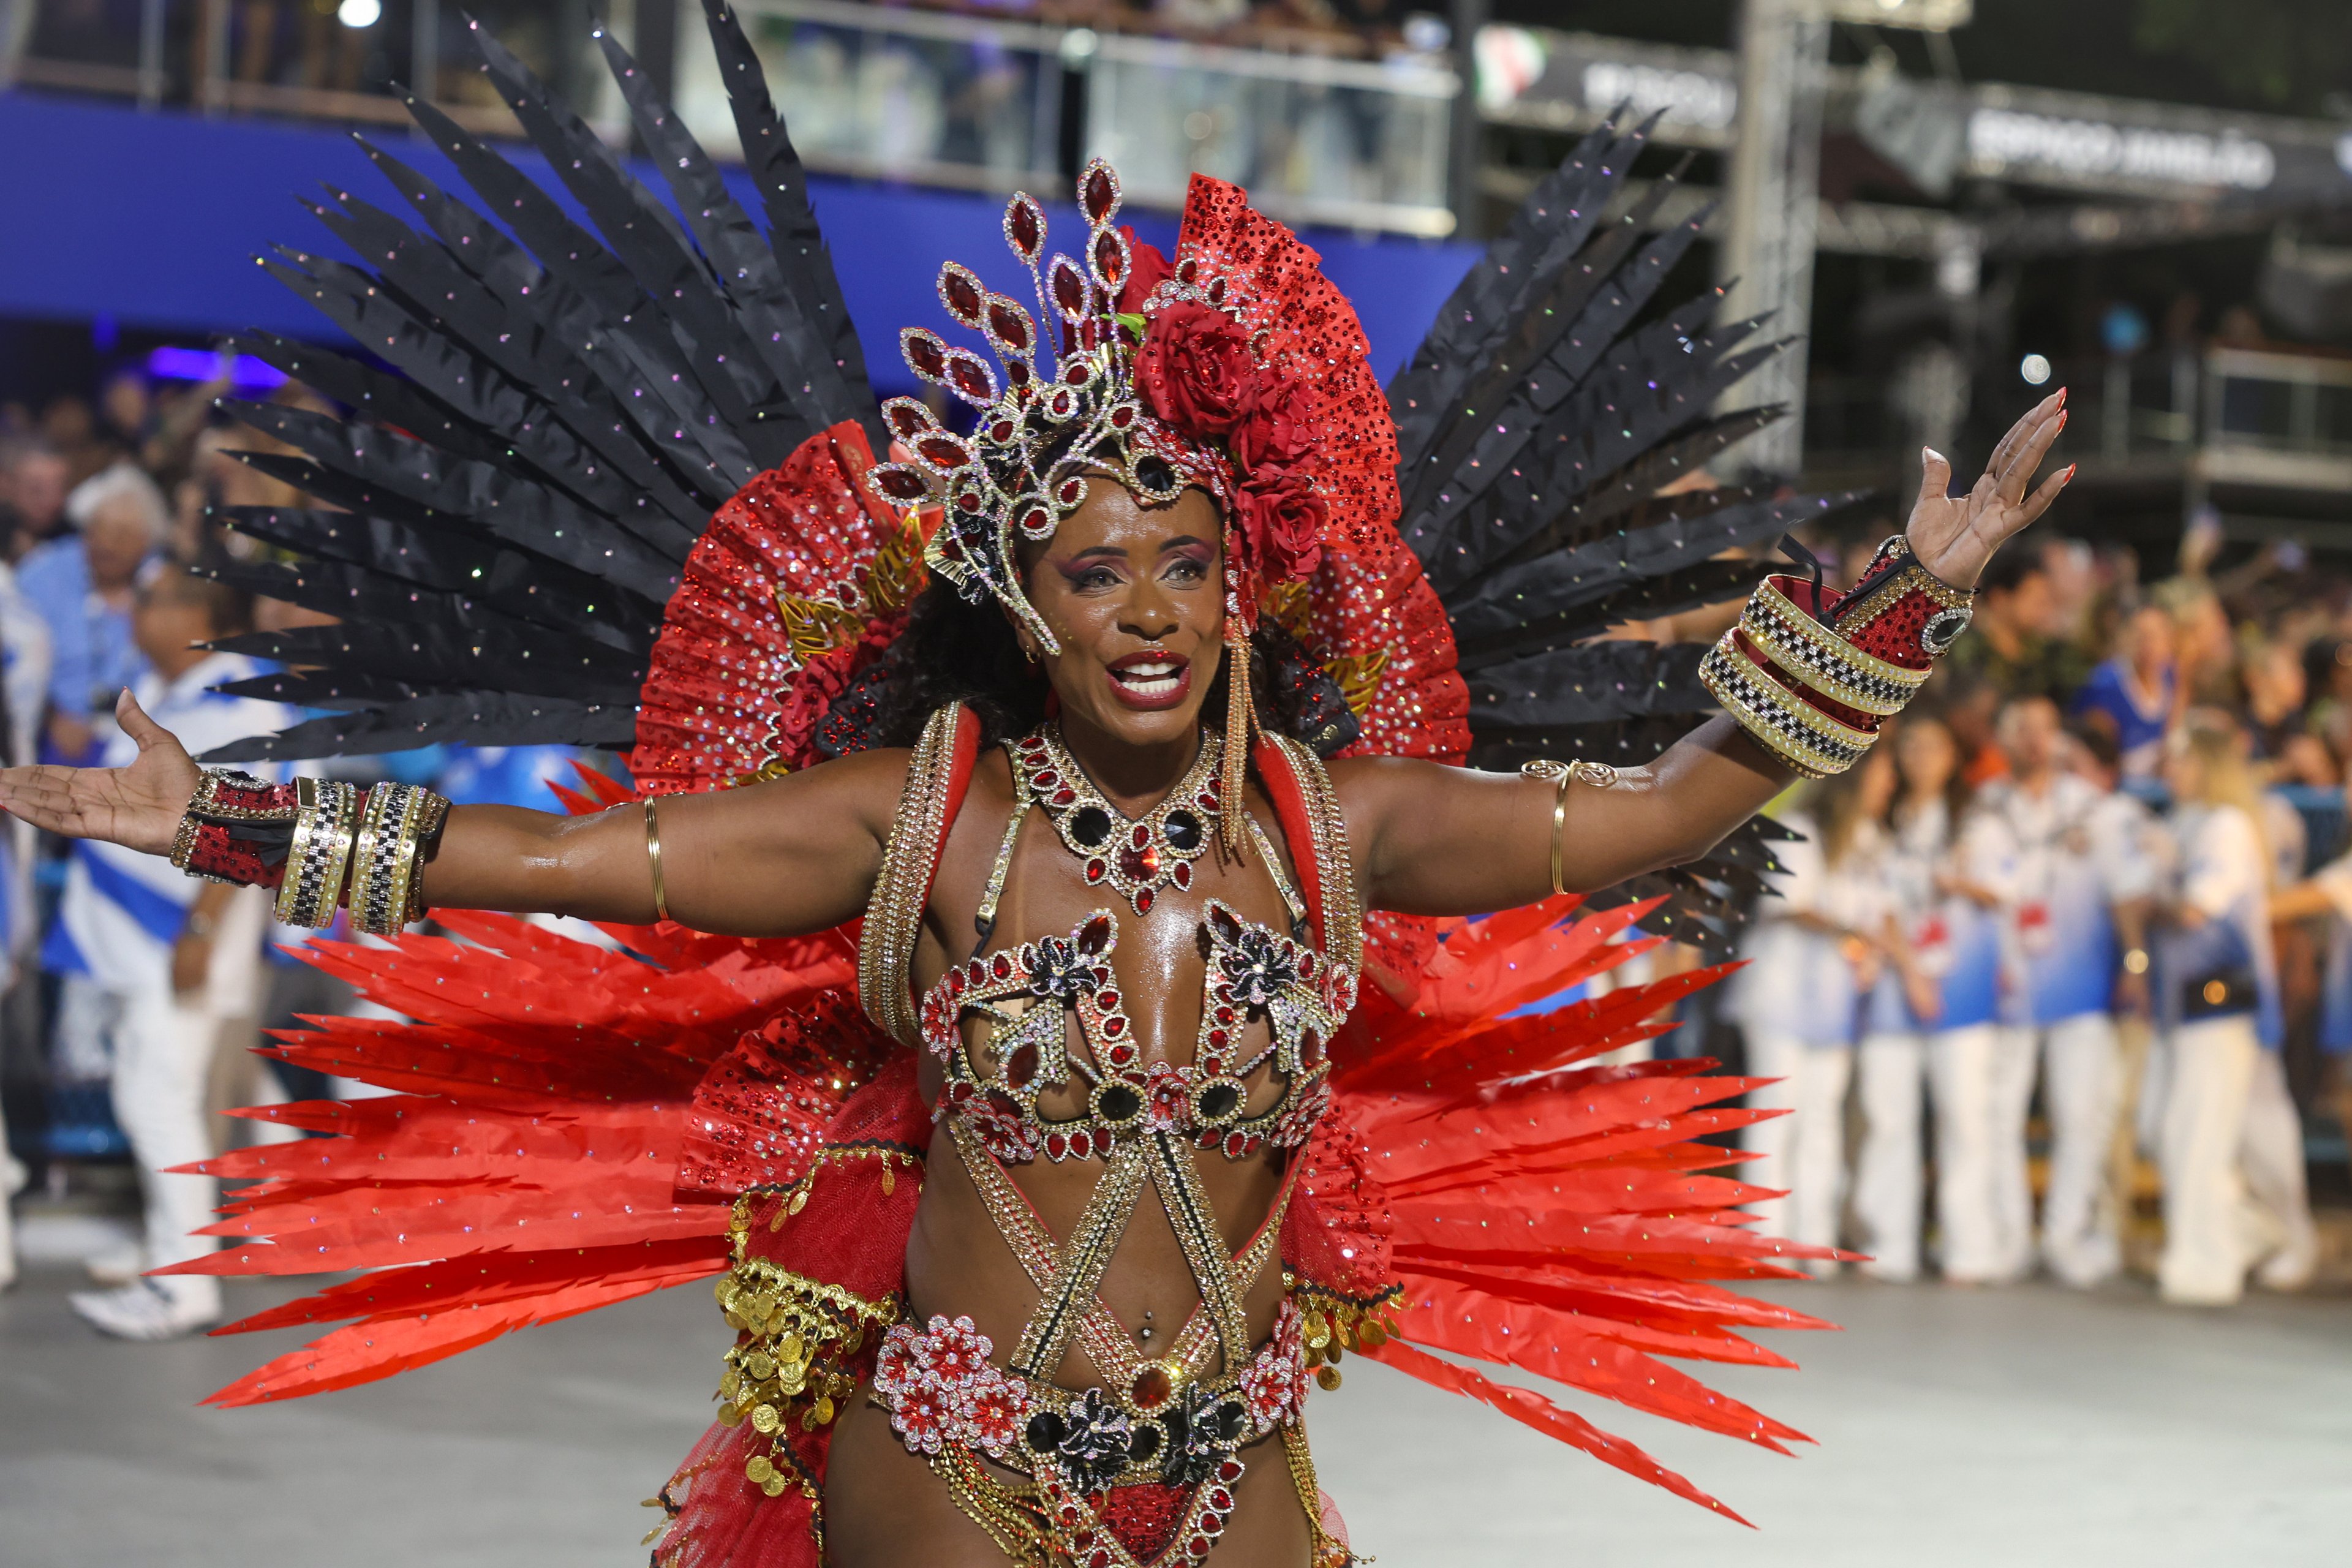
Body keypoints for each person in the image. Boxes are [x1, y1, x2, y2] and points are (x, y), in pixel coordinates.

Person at [0, 26, 2071, 1559]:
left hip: (1243, 1462)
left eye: (1188, 564)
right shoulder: (921, 821)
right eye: (1099, 573)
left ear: (1245, 579)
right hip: (955, 1469)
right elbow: (555, 856)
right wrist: (220, 823)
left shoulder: (1337, 823)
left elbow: (1668, 808)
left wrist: (1909, 605)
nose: (1151, 612)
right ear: (1029, 604)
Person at [40, 564, 285, 1338]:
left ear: (193, 612)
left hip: (182, 932)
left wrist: (202, 933)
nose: (136, 614)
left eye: (149, 601)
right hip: (145, 930)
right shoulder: (164, 685)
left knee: (160, 1098)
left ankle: (184, 1285)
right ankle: (172, 1245)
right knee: (179, 1088)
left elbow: (247, 829)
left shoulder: (238, 692)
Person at [1975, 696, 2158, 1288]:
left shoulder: (2095, 809)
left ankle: (2065, 1236)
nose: (2033, 740)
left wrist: (2135, 964)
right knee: (1999, 1117)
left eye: (2043, 729)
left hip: (2080, 986)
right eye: (2021, 727)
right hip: (2006, 988)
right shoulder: (1984, 808)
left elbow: (2127, 892)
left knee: (2081, 1116)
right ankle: (2007, 1237)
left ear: (2056, 739)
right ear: (2002, 739)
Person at [2149, 713, 2313, 1305]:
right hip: (2184, 1008)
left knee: (2197, 1138)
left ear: (2207, 764)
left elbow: (2195, 909)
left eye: (2183, 758)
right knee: (2168, 1130)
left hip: (2220, 1004)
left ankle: (2206, 1266)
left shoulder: (2225, 826)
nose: (2172, 770)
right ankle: (2249, 1231)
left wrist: (2154, 890)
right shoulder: (2189, 822)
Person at [1732, 747, 1896, 1275]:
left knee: (1822, 1115)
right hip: (1781, 996)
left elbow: (1881, 916)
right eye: (1882, 774)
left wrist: (1870, 949)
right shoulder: (1799, 829)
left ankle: (1814, 1236)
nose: (1888, 785)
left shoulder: (1872, 845)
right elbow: (1790, 907)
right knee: (1777, 1112)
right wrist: (1849, 931)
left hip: (1835, 1000)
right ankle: (1764, 1237)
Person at [17, 462, 164, 761]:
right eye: (98, 530)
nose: (108, 545)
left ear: (147, 542)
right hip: (47, 733)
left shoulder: (163, 585)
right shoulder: (43, 573)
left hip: (141, 740)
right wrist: (50, 713)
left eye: (123, 535)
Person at [2071, 602, 2177, 780]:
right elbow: (2099, 758)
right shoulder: (2105, 686)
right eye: (2142, 637)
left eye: (2159, 636)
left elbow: (2173, 732)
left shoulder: (2171, 674)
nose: (2150, 645)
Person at [0, 434, 69, 562]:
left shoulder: (79, 538)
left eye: (60, 490)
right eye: (37, 491)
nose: (52, 502)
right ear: (6, 485)